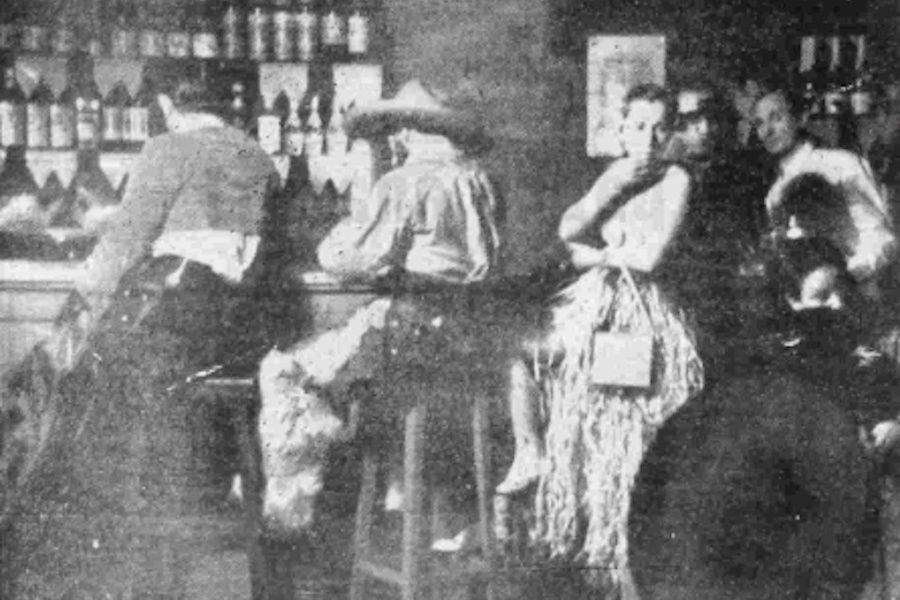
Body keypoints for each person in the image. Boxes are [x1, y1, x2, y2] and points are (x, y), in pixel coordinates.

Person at [4, 62, 281, 599]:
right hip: (236, 337)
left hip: (174, 328)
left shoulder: (167, 148)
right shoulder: (259, 156)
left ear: (170, 106)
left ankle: (65, 548)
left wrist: (81, 296)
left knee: (54, 378)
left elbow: (124, 244)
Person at [257, 79, 505, 535]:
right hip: (468, 339)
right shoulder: (481, 180)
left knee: (282, 370)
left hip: (410, 336)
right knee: (367, 379)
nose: (393, 139)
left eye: (396, 129)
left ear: (408, 130)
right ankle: (404, 500)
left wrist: (335, 240)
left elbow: (351, 260)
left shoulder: (405, 182)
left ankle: (292, 515)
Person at [499, 83, 705, 596]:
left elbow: (649, 257)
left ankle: (632, 572)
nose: (648, 139)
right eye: (638, 126)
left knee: (627, 446)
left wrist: (596, 254)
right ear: (622, 129)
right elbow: (567, 228)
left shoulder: (677, 178)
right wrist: (606, 195)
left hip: (645, 316)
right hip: (598, 308)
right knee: (526, 360)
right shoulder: (617, 174)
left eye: (659, 128)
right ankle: (530, 453)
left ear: (671, 133)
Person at [752, 82, 897, 303]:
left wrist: (845, 276)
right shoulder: (774, 194)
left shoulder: (841, 165)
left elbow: (882, 239)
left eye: (776, 118)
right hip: (807, 308)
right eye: (759, 123)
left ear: (800, 118)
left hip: (858, 299)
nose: (767, 131)